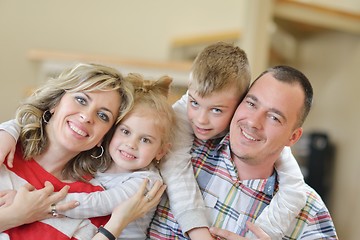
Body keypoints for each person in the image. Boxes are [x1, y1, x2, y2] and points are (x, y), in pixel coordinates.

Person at [151, 65, 338, 239]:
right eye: (251, 104)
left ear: (293, 137)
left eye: (274, 117)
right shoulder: (173, 152)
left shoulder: (311, 213)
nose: (253, 122)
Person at [0, 73, 175, 239]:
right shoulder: (98, 166)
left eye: (145, 140)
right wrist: (9, 130)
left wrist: (40, 204)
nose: (131, 144)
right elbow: (29, 120)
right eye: (125, 131)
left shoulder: (146, 181)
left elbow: (99, 203)